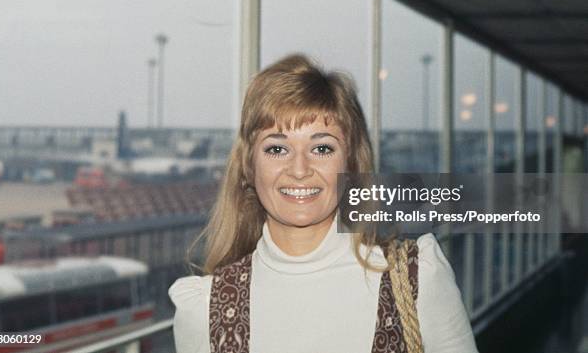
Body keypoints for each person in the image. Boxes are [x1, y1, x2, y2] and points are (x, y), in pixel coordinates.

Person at [169, 54, 478, 353]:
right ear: (249, 167)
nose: (300, 169)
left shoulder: (416, 279)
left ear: (352, 164)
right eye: (277, 149)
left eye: (321, 148)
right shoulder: (205, 310)